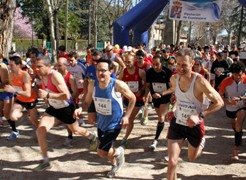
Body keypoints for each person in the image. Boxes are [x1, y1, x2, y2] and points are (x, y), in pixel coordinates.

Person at [162, 48, 224, 180]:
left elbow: (219, 102)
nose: (180, 68)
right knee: (172, 161)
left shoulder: (199, 81)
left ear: (192, 64)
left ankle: (201, 142)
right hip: (178, 123)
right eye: (178, 64)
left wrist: (200, 116)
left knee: (191, 157)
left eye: (184, 64)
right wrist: (173, 110)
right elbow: (179, 96)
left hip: (194, 125)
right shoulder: (174, 78)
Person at [74, 58, 136, 178]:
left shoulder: (117, 85)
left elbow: (132, 98)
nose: (100, 73)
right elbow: (87, 102)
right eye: (98, 70)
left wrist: (127, 116)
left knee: (101, 152)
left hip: (115, 124)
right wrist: (81, 109)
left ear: (110, 71)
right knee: (107, 149)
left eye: (103, 70)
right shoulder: (93, 84)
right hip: (101, 123)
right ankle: (115, 164)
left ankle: (120, 152)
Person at [33, 56, 97, 171]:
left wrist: (48, 95)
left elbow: (66, 95)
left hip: (66, 108)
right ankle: (46, 161)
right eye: (36, 66)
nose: (37, 69)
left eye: (39, 66)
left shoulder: (55, 76)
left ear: (48, 66)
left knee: (75, 130)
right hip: (53, 108)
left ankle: (92, 136)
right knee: (40, 130)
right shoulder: (42, 76)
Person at [4, 56, 39, 140]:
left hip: (30, 100)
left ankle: (41, 132)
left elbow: (28, 93)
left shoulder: (25, 75)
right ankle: (24, 114)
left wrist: (14, 91)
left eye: (12, 65)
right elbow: (13, 88)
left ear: (19, 65)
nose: (9, 67)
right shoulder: (10, 74)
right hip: (20, 100)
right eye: (9, 65)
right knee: (12, 116)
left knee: (34, 121)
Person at [144, 55, 173, 151]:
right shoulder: (149, 72)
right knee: (160, 117)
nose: (155, 66)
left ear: (162, 63)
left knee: (161, 117)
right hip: (155, 97)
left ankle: (155, 140)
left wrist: (163, 94)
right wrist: (146, 95)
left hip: (165, 97)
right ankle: (166, 126)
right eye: (153, 64)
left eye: (157, 64)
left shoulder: (168, 72)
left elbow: (172, 87)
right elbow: (148, 86)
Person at [218, 62, 246, 160]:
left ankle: (236, 149)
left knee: (239, 124)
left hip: (242, 106)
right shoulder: (226, 81)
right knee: (235, 125)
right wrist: (227, 101)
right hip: (230, 107)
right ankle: (239, 134)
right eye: (235, 74)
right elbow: (219, 95)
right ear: (232, 73)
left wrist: (241, 98)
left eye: (240, 74)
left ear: (243, 73)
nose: (238, 77)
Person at [118, 53, 146, 147]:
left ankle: (125, 138)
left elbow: (147, 84)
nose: (127, 63)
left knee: (130, 118)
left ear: (134, 61)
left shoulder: (140, 72)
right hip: (127, 99)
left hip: (137, 99)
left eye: (129, 62)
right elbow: (118, 82)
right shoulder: (123, 72)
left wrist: (141, 91)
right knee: (124, 117)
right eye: (125, 62)